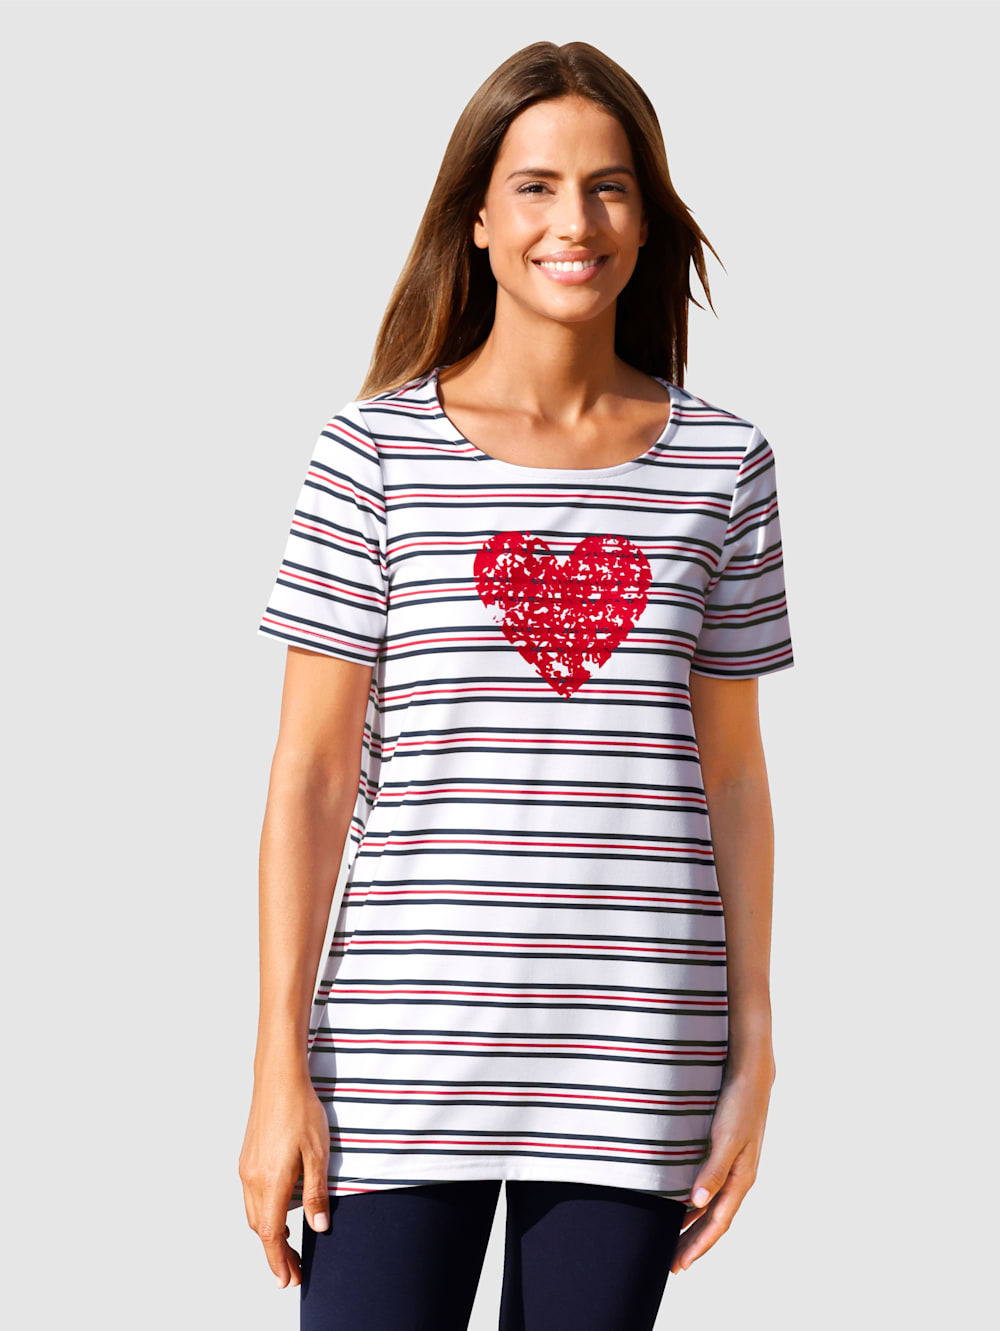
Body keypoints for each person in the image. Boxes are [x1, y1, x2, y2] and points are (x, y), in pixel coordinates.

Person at [240, 39, 795, 1331]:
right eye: (535, 186)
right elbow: (310, 776)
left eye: (609, 187)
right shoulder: (371, 455)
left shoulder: (724, 465)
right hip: (395, 1049)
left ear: (645, 220)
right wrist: (277, 1062)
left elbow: (732, 777)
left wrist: (755, 1049)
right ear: (478, 219)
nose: (574, 222)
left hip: (637, 1048)